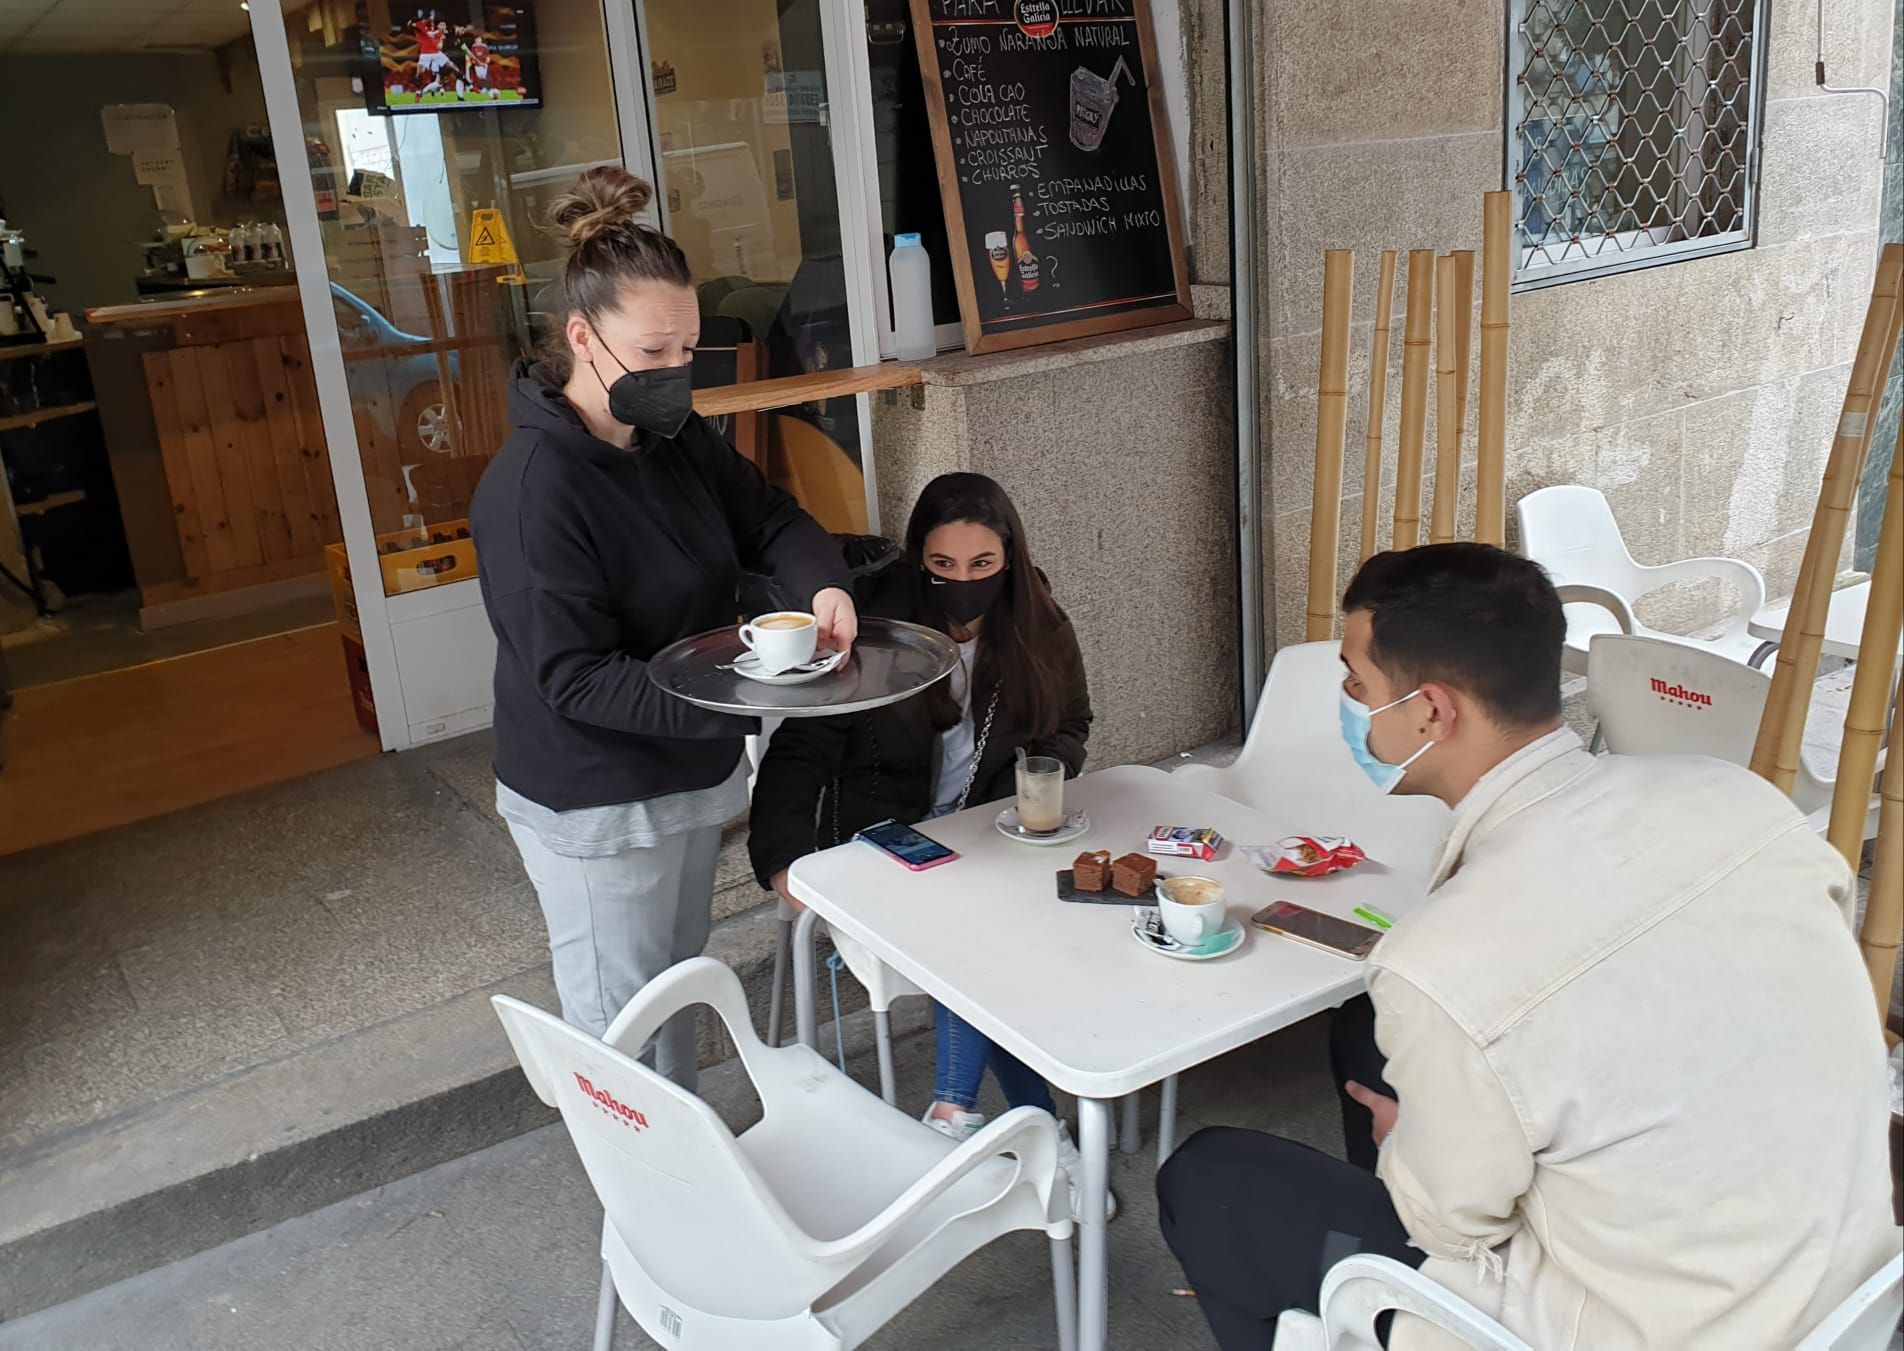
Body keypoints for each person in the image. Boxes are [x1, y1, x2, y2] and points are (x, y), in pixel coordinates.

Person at [1157, 543, 1899, 1349]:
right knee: (1362, 1035)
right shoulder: (1739, 800)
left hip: (1640, 1326)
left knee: (1210, 1180)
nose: (1345, 704)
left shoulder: (1443, 960)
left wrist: (1406, 1144)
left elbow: (1452, 1222)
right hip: (1848, 1291)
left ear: (1431, 712)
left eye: (1356, 685)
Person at [470, 167, 856, 1090]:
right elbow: (574, 677)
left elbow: (769, 520)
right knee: (621, 1032)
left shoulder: (673, 439)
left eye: (688, 349)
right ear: (580, 338)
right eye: (652, 353)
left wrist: (826, 585)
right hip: (597, 795)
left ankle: (686, 1178)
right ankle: (640, 1220)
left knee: (679, 987)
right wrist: (748, 700)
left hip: (687, 769)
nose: (675, 373)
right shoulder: (533, 493)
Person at [746, 472, 1107, 1211]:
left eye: (982, 566)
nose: (963, 584)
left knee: (997, 925)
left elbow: (1071, 725)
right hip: (880, 840)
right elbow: (801, 750)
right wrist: (783, 859)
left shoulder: (1038, 621)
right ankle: (1024, 1128)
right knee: (974, 937)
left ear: (1008, 557)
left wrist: (1037, 778)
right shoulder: (875, 630)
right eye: (942, 566)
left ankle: (972, 1117)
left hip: (995, 835)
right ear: (918, 560)